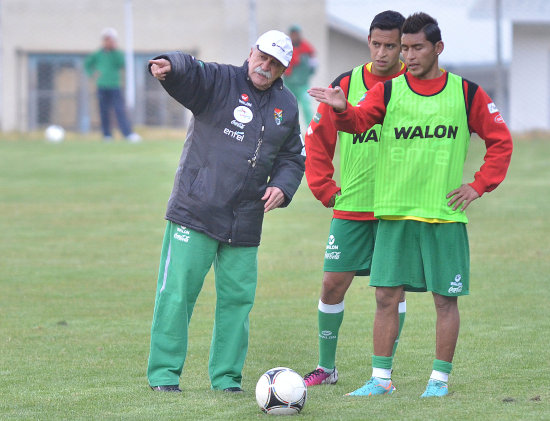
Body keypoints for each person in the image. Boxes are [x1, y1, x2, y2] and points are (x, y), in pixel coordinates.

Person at [309, 12, 513, 397]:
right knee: (384, 296)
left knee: (444, 301)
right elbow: (357, 122)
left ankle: (439, 382)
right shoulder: (388, 91)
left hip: (443, 215)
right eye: (405, 47)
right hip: (394, 213)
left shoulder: (466, 92)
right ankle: (379, 380)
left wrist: (479, 185)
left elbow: (500, 140)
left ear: (437, 48)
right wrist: (340, 108)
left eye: (415, 47)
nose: (408, 55)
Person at [146, 30, 305, 393]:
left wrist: (283, 185)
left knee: (237, 301)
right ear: (251, 53)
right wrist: (170, 64)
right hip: (196, 208)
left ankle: (227, 379)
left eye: (275, 63)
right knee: (177, 293)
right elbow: (192, 71)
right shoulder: (220, 81)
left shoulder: (288, 106)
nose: (265, 66)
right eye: (262, 57)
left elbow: (293, 156)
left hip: (246, 218)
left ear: (284, 69)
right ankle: (164, 376)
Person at [302, 10, 407, 387]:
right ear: (369, 41)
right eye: (376, 44)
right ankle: (326, 369)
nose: (382, 53)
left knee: (390, 292)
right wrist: (325, 188)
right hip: (353, 205)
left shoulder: (411, 86)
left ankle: (384, 371)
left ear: (402, 45)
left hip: (397, 208)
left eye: (390, 46)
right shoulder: (345, 84)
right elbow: (316, 138)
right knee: (332, 283)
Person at [84, 28, 141, 142]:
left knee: (119, 110)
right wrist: (92, 74)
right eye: (107, 39)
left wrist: (114, 51)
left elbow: (122, 64)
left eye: (111, 40)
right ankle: (107, 135)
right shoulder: (98, 54)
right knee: (104, 110)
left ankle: (127, 134)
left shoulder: (117, 54)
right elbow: (87, 64)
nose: (109, 42)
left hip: (115, 85)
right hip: (102, 85)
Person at [283, 25, 317, 127]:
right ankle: (288, 129)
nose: (294, 36)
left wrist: (305, 77)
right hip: (289, 85)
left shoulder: (307, 50)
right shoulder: (286, 49)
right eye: (292, 34)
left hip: (303, 86)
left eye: (296, 34)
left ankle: (311, 130)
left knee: (306, 107)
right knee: (289, 108)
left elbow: (313, 67)